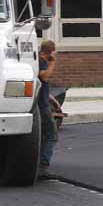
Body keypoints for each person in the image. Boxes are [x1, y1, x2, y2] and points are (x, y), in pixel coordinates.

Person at [37, 40, 58, 178]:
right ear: (50, 51)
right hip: (42, 106)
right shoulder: (41, 62)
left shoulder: (37, 60)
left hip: (43, 101)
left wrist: (51, 97)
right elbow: (44, 77)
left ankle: (38, 164)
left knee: (43, 135)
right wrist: (52, 62)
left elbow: (40, 84)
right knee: (51, 135)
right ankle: (42, 167)